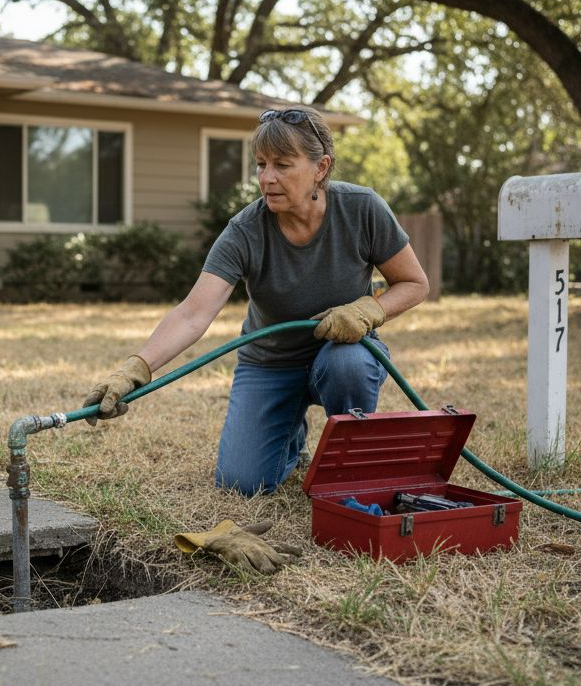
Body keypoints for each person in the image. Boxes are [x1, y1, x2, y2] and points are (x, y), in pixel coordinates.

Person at [84, 105, 429, 497]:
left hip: (341, 351)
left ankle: (345, 463)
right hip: (270, 365)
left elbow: (414, 283)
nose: (267, 178)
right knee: (241, 483)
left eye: (282, 164)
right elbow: (193, 315)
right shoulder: (245, 231)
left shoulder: (362, 209)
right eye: (261, 164)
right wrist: (135, 368)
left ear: (321, 168)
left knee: (348, 365)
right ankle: (290, 436)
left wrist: (370, 309)